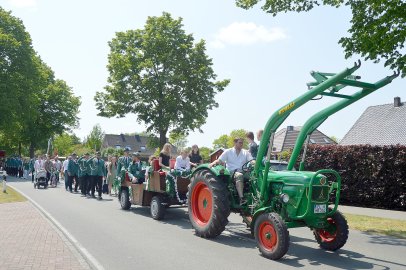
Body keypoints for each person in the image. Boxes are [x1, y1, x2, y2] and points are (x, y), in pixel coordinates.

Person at [209, 138, 253, 205]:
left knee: (254, 177)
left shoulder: (245, 152)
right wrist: (213, 163)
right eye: (240, 143)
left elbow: (251, 160)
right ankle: (241, 198)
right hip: (232, 172)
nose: (241, 144)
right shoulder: (228, 152)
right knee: (239, 175)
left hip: (243, 171)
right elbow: (220, 160)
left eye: (242, 143)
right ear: (235, 143)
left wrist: (255, 163)